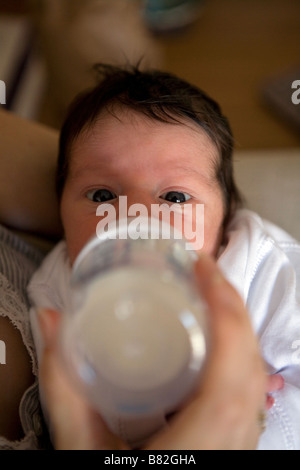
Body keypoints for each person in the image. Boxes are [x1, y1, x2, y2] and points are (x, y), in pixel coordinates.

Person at [26, 64, 298, 449]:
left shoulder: (265, 269)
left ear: (226, 217)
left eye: (174, 197)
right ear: (61, 213)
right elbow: (65, 407)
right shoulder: (57, 288)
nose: (137, 215)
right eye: (103, 196)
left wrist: (262, 411)